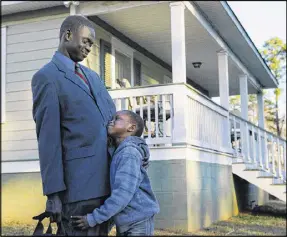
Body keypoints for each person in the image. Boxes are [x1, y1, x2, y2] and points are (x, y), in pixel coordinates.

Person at [31, 15, 116, 236]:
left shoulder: (94, 77)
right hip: (78, 190)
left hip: (109, 185)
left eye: (92, 44)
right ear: (68, 34)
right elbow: (48, 140)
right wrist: (53, 194)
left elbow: (111, 119)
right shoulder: (47, 77)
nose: (89, 48)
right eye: (86, 41)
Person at [71, 110, 160, 236]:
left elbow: (122, 194)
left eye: (117, 118)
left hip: (137, 223)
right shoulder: (121, 151)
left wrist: (93, 219)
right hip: (129, 221)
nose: (111, 121)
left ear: (131, 127)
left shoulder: (128, 153)